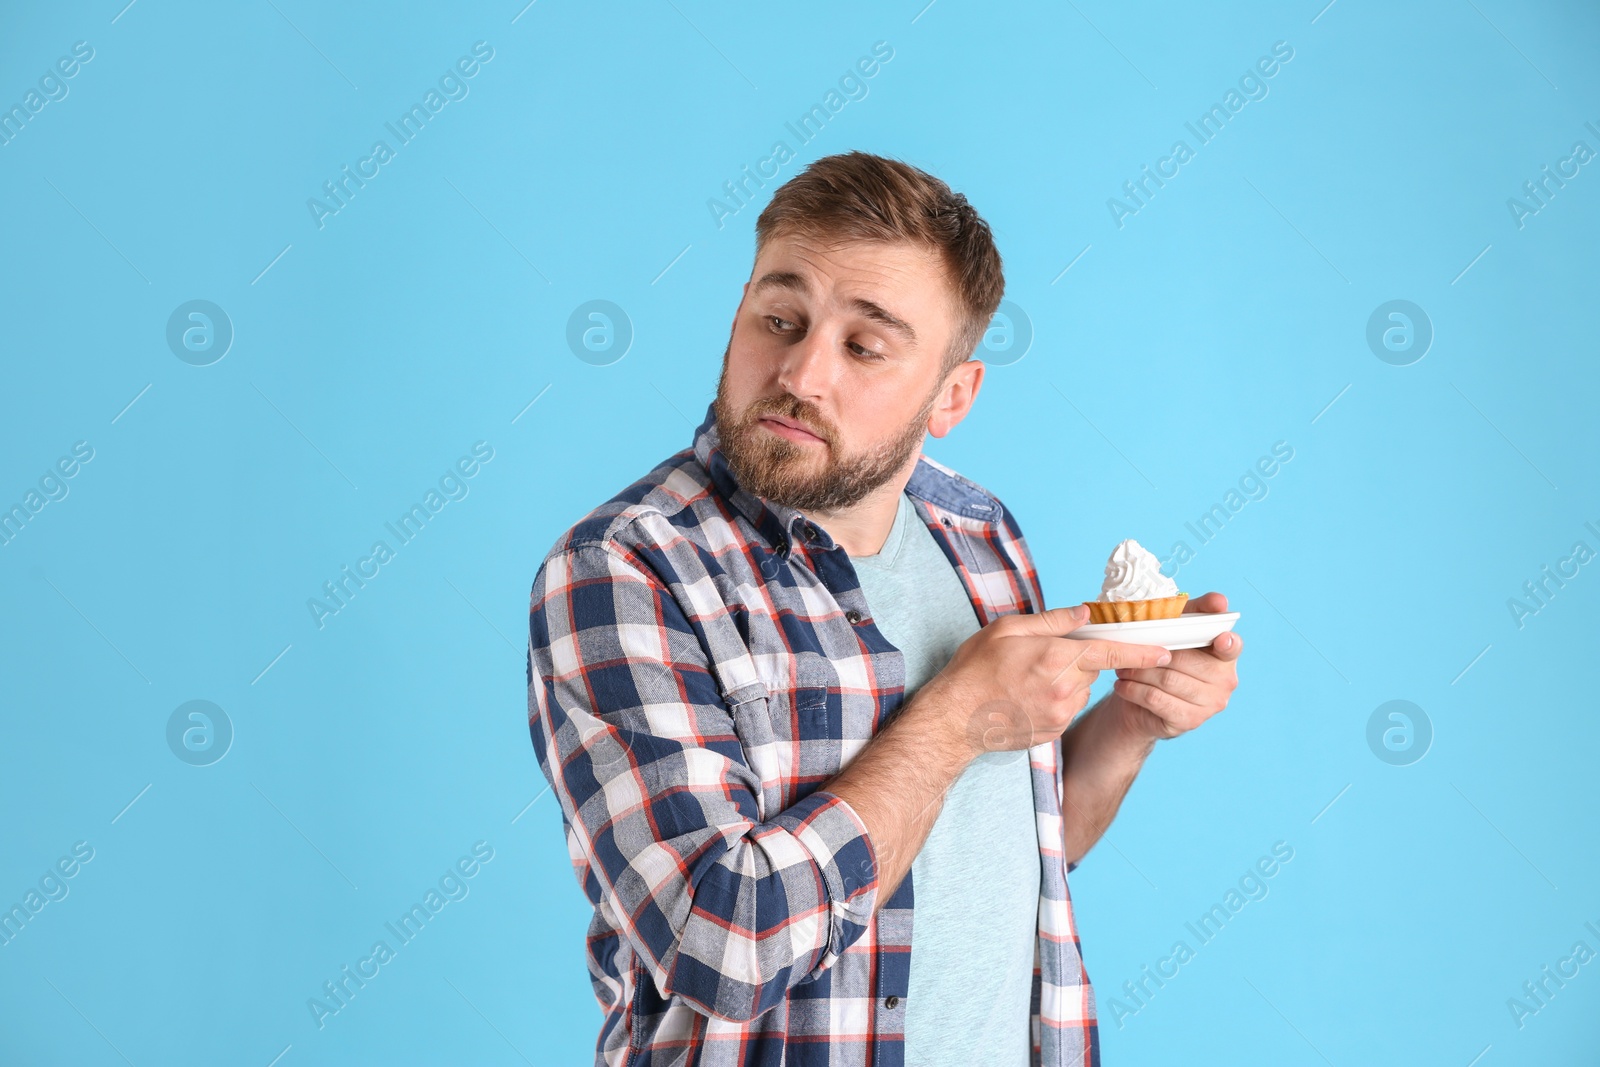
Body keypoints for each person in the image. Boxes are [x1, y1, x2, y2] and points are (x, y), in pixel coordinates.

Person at [525, 150, 1242, 1066]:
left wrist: (1130, 724)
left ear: (953, 395)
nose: (801, 372)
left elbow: (1005, 859)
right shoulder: (626, 570)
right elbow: (725, 947)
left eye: (864, 346)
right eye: (778, 318)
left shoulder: (979, 538)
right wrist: (951, 721)